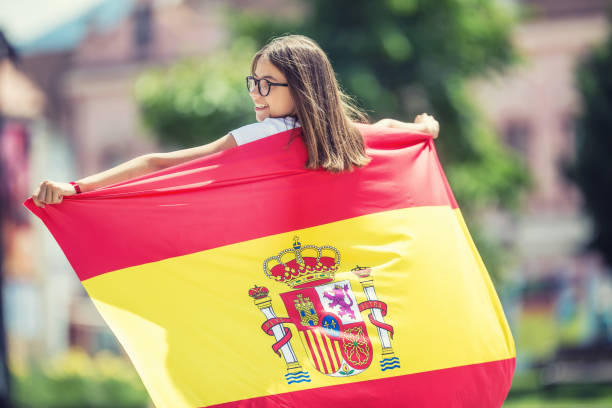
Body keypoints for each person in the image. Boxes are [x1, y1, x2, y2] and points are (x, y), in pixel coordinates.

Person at [31, 34, 439, 208]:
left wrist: (78, 187)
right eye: (253, 82)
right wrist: (425, 128)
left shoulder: (265, 136)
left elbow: (159, 162)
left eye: (268, 84)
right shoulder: (352, 138)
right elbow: (393, 129)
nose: (256, 94)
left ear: (303, 88)